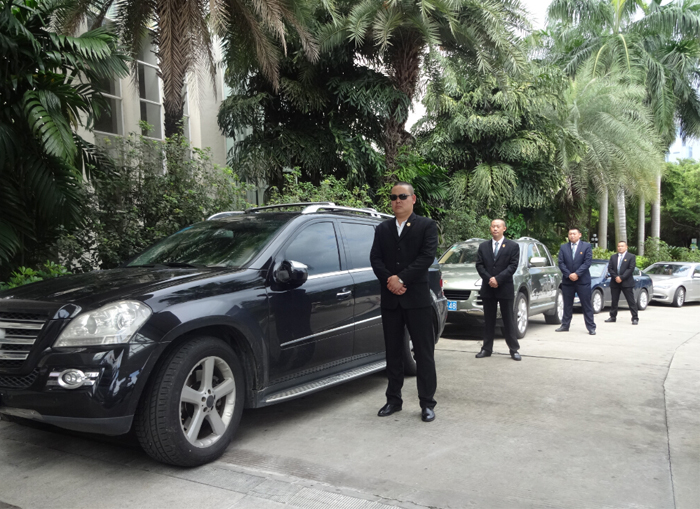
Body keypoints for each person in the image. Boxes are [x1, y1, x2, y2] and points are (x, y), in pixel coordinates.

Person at [369, 182, 439, 422]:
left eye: (402, 196)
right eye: (393, 197)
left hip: (416, 299)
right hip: (391, 299)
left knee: (423, 353)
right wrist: (390, 280)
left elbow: (426, 257)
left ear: (413, 199)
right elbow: (375, 259)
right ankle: (393, 400)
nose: (397, 201)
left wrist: (401, 279)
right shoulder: (383, 229)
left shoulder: (426, 226)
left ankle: (427, 403)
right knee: (393, 352)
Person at [474, 219, 522, 361]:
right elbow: (479, 265)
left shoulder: (513, 246)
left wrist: (498, 279)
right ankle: (486, 348)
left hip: (505, 287)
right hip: (488, 288)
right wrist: (490, 279)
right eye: (493, 226)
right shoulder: (483, 246)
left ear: (504, 229)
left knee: (508, 319)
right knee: (489, 320)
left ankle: (514, 349)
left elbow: (513, 266)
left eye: (498, 226)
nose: (495, 229)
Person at [556, 228, 596, 335]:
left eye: (574, 234)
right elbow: (561, 263)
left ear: (579, 235)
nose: (572, 236)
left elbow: (587, 262)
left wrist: (577, 274)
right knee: (567, 304)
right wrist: (569, 274)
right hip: (568, 281)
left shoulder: (586, 246)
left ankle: (591, 327)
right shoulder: (564, 247)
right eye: (570, 234)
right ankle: (565, 325)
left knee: (586, 305)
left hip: (582, 280)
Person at [605, 241, 639, 325]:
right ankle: (612, 317)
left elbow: (630, 269)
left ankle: (635, 318)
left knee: (631, 301)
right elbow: (610, 268)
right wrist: (616, 277)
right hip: (615, 282)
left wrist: (621, 277)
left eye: (622, 246)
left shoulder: (631, 256)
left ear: (626, 247)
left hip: (626, 282)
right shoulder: (613, 257)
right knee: (614, 300)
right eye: (619, 246)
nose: (620, 248)